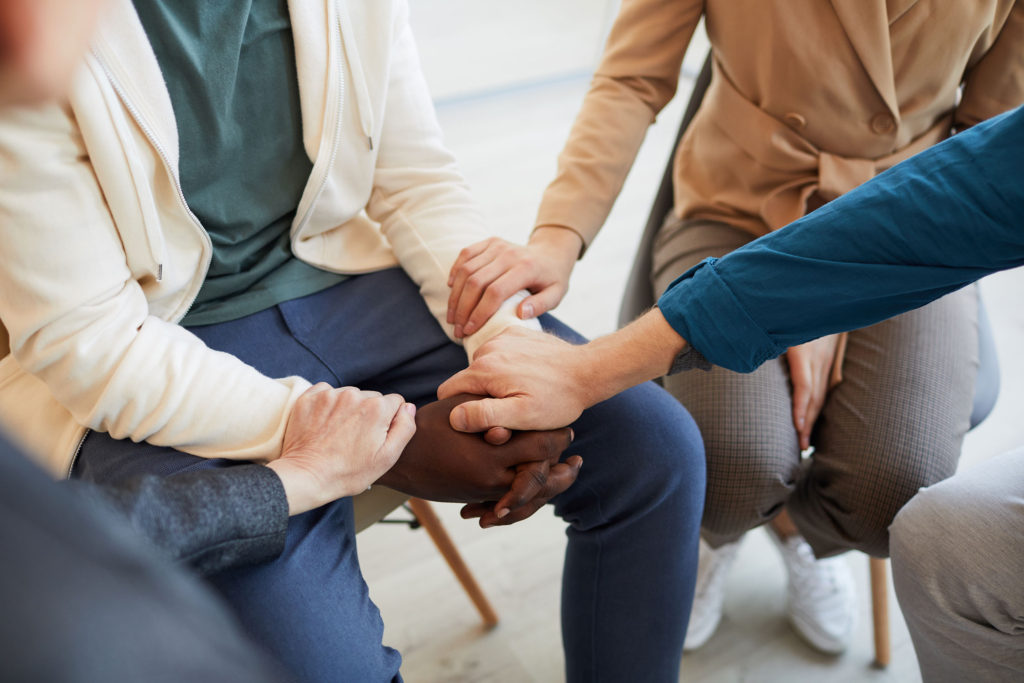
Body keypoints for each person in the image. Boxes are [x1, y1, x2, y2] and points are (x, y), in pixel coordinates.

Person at [0, 1, 706, 681]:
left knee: (658, 448)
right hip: (155, 353)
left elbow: (413, 179)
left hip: (342, 277)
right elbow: (90, 339)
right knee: (320, 664)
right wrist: (387, 444)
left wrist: (502, 347)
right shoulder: (32, 28)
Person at [444, 0, 1024, 652]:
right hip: (739, 199)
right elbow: (632, 76)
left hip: (916, 215)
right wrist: (557, 236)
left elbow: (988, 148)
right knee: (731, 473)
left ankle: (792, 530)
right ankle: (727, 529)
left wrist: (831, 300)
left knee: (889, 490)